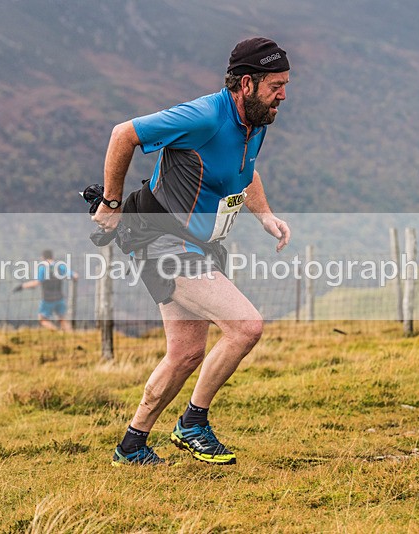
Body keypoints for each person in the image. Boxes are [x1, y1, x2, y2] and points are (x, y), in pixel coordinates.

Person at [93, 37, 291, 466]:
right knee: (246, 326)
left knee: (185, 354)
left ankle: (132, 446)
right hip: (161, 240)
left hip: (200, 246)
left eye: (286, 84)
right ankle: (192, 424)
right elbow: (123, 134)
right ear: (246, 84)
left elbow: (244, 173)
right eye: (276, 85)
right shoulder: (203, 116)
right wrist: (110, 203)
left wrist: (265, 216)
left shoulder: (253, 123)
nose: (283, 95)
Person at [13, 249, 77, 331]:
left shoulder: (43, 269)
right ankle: (70, 335)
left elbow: (36, 283)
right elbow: (74, 275)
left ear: (43, 258)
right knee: (62, 319)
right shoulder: (60, 266)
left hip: (48, 299)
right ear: (52, 257)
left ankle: (56, 331)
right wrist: (74, 278)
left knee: (42, 319)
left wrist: (22, 286)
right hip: (59, 298)